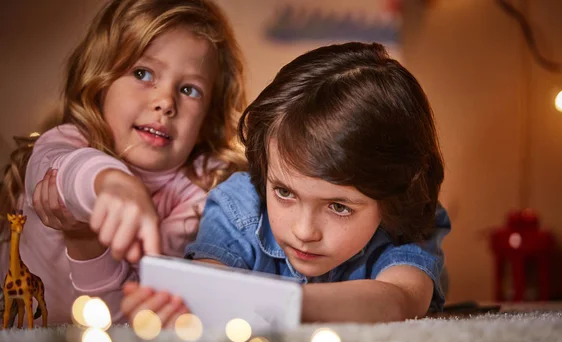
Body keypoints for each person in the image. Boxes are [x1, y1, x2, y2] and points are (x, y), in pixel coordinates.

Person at [122, 42, 451, 325]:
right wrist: (183, 308)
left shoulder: (408, 220)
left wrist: (274, 306)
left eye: (339, 207)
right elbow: (210, 290)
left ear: (397, 194)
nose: (305, 231)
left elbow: (399, 300)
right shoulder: (239, 208)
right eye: (284, 192)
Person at [0, 0, 246, 325]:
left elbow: (130, 323)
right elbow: (65, 171)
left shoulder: (199, 195)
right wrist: (111, 182)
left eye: (190, 89)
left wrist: (87, 242)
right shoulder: (64, 143)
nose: (165, 102)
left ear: (208, 117)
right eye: (143, 73)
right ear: (101, 83)